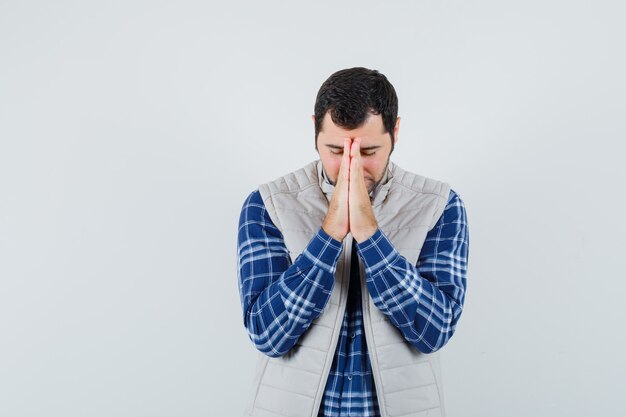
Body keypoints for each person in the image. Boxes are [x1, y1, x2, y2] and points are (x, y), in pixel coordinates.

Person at [236, 67, 469, 417]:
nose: (351, 166)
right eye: (335, 149)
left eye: (369, 151)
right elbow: (268, 335)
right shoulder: (268, 204)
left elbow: (434, 332)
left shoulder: (439, 204)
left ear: (396, 132)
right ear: (314, 130)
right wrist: (329, 235)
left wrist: (370, 236)